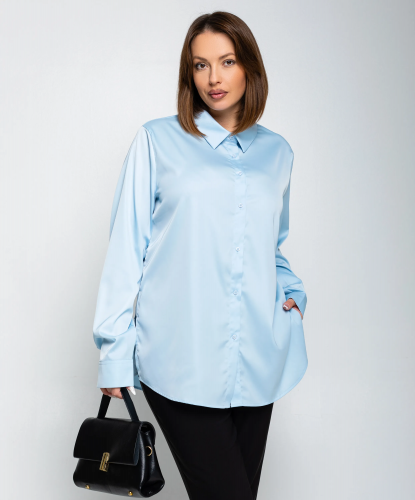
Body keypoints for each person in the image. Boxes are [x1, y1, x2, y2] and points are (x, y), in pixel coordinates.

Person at [92, 11, 308, 500]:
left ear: (249, 68)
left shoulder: (278, 153)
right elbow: (126, 248)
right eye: (200, 64)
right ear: (188, 73)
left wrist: (294, 294)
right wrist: (113, 354)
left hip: (258, 358)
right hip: (178, 358)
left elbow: (269, 246)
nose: (213, 78)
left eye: (227, 61)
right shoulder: (156, 141)